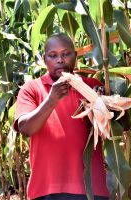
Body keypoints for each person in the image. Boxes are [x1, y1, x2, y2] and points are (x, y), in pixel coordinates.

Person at [13, 33, 110, 200]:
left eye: (66, 54)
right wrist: (52, 100)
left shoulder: (93, 86)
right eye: (53, 55)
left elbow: (122, 125)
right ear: (44, 59)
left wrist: (104, 104)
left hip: (91, 188)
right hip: (47, 189)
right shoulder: (32, 89)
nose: (60, 60)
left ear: (75, 56)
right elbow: (26, 129)